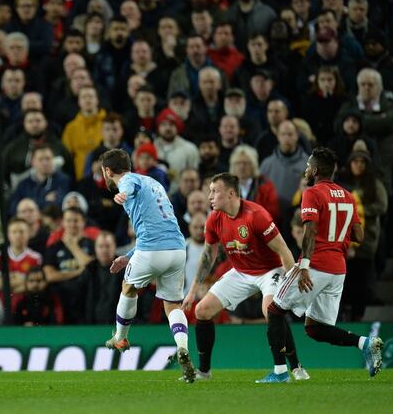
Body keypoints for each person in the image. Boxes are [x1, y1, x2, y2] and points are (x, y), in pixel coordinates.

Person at [266, 147, 383, 379]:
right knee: (315, 328)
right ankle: (364, 343)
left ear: (317, 170)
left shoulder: (312, 193)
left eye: (309, 166)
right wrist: (339, 234)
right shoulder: (349, 196)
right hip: (338, 270)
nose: (306, 169)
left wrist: (306, 266)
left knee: (274, 310)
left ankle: (280, 372)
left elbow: (310, 232)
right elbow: (360, 236)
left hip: (316, 265)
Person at [181, 172, 307, 383]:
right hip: (241, 272)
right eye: (209, 191)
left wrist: (290, 282)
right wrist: (193, 291)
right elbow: (207, 256)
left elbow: (284, 250)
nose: (210, 196)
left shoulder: (256, 215)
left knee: (270, 311)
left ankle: (292, 368)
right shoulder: (214, 219)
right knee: (202, 310)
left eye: (215, 191)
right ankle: (204, 372)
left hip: (270, 270)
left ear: (231, 194)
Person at [99, 149, 195, 383]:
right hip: (177, 250)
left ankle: (120, 337)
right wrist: (129, 256)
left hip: (152, 250)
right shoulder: (152, 182)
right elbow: (158, 221)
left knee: (128, 287)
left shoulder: (128, 180)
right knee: (172, 304)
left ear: (108, 171)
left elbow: (128, 185)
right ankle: (183, 347)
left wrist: (122, 194)